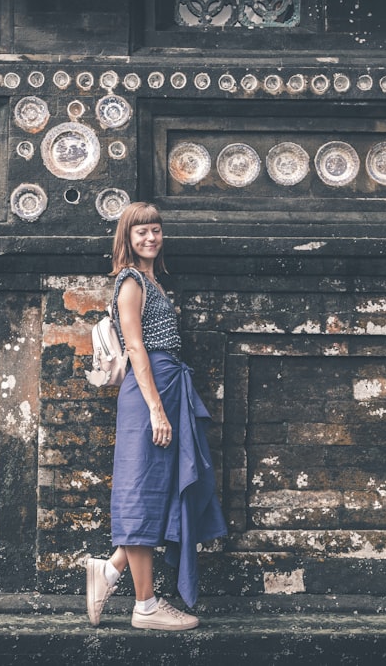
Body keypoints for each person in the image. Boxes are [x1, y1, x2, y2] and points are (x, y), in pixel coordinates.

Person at [86, 201, 227, 631]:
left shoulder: (153, 282)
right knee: (143, 494)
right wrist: (156, 410)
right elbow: (135, 348)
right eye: (141, 232)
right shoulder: (130, 283)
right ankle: (144, 606)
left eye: (156, 231)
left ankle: (109, 571)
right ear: (126, 238)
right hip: (149, 392)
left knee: (159, 493)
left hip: (167, 386)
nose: (150, 238)